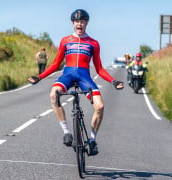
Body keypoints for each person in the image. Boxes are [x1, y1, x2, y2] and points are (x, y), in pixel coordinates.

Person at [28, 9, 124, 156]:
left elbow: (99, 68)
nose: (80, 24)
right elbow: (55, 64)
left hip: (85, 77)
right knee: (54, 95)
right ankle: (66, 132)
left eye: (82, 21)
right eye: (77, 21)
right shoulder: (65, 41)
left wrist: (113, 81)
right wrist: (39, 77)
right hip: (67, 75)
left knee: (100, 106)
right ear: (73, 23)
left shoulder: (93, 43)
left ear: (86, 23)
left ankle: (92, 140)